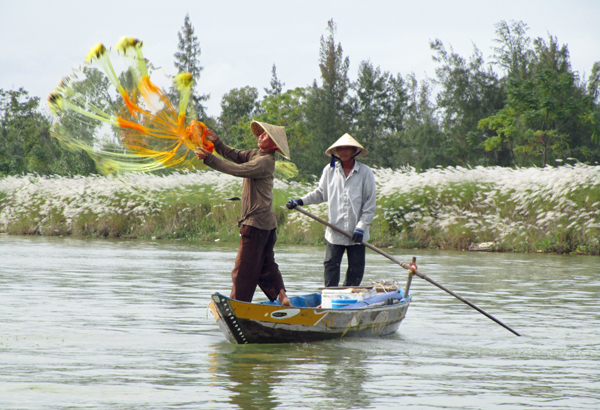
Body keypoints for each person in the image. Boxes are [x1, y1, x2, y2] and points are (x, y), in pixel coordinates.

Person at [195, 121, 291, 306]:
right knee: (267, 266)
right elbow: (235, 156)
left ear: (274, 145)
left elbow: (238, 170)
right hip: (267, 225)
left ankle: (238, 306)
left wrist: (210, 159)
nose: (260, 136)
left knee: (243, 270)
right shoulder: (256, 154)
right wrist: (217, 143)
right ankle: (282, 297)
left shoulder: (264, 162)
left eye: (265, 135)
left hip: (256, 224)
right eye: (261, 133)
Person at [287, 133, 376, 287]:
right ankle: (331, 296)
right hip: (335, 230)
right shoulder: (330, 170)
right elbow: (320, 193)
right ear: (336, 152)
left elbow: (369, 205)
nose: (343, 151)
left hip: (356, 234)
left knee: (356, 269)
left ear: (354, 150)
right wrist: (300, 201)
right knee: (330, 265)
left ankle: (348, 297)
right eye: (340, 149)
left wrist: (361, 228)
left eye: (347, 148)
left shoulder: (365, 173)